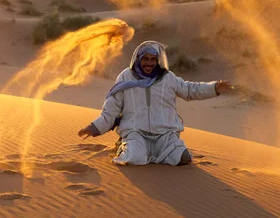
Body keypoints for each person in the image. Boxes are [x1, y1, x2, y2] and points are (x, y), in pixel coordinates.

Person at [78, 40, 232, 166]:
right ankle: (124, 146)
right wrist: (94, 128)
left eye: (153, 59)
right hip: (136, 132)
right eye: (145, 59)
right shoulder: (126, 77)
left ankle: (156, 154)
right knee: (133, 159)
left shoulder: (168, 78)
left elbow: (190, 90)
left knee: (183, 158)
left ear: (158, 61)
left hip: (164, 134)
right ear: (138, 59)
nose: (149, 63)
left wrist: (214, 88)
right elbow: (111, 111)